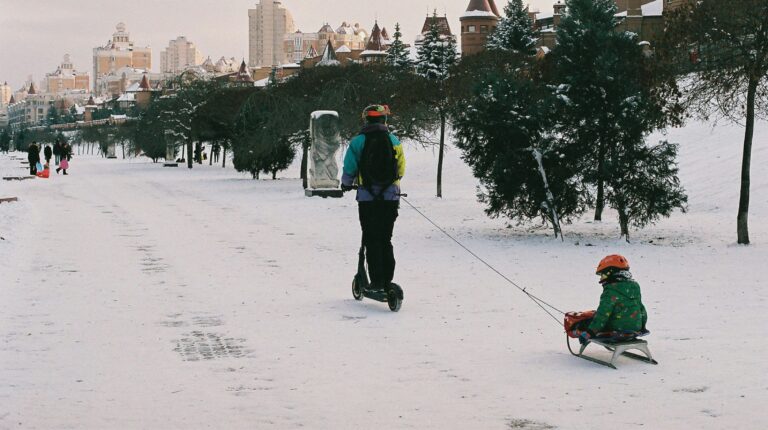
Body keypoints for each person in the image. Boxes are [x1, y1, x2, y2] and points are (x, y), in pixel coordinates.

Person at [341, 105, 406, 293]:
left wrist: (347, 184)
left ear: (366, 120)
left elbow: (350, 168)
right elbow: (400, 170)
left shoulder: (358, 142)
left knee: (371, 237)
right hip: (390, 198)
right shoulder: (394, 141)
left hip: (367, 199)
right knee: (386, 238)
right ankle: (387, 279)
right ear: (384, 120)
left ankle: (376, 281)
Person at [579, 254, 648, 345]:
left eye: (602, 275)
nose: (601, 278)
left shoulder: (610, 291)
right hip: (636, 327)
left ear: (610, 273)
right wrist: (642, 326)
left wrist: (590, 332)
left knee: (587, 321)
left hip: (617, 329)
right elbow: (641, 308)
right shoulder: (635, 286)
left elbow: (603, 315)